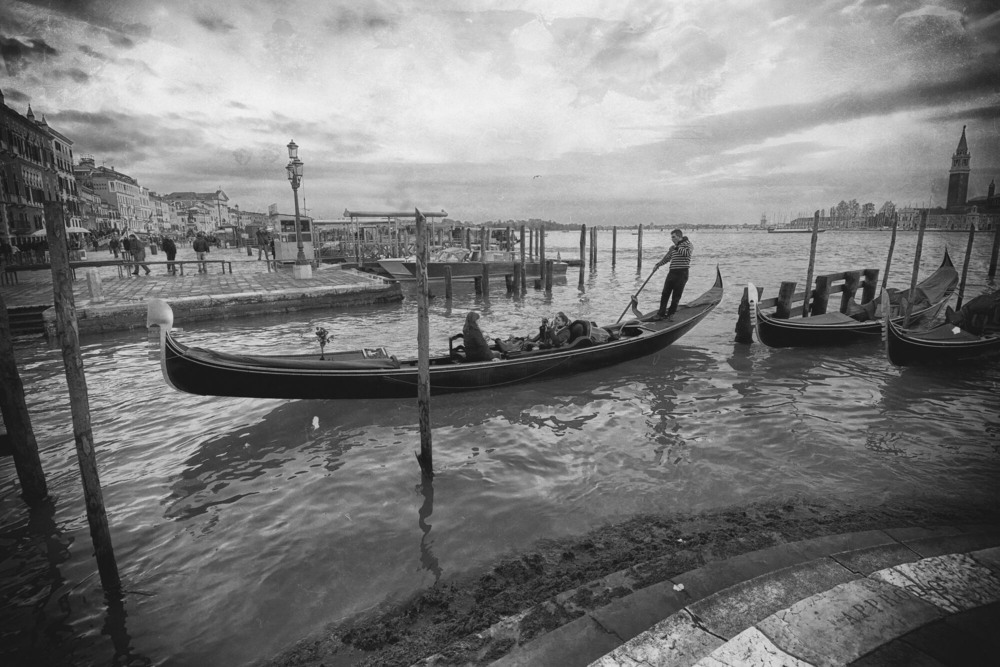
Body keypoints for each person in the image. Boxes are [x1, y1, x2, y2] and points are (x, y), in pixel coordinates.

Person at [654, 228, 693, 321]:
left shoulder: (688, 244)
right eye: (671, 237)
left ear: (679, 237)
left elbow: (687, 254)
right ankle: (661, 314)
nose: (672, 239)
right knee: (665, 293)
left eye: (674, 237)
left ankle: (671, 314)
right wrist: (658, 265)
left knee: (676, 295)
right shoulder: (674, 247)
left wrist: (676, 247)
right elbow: (667, 258)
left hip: (682, 273)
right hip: (672, 272)